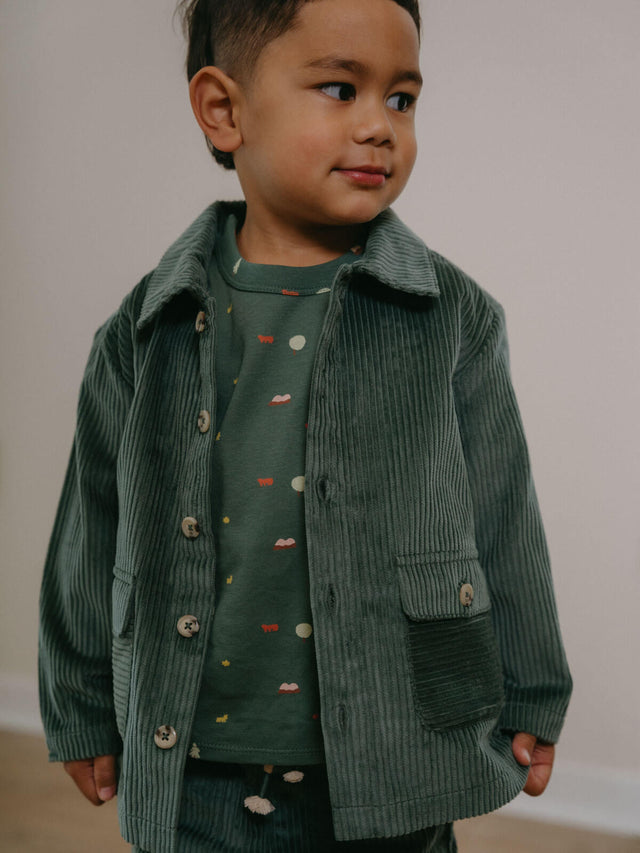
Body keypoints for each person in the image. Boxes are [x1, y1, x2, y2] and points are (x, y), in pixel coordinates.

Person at [38, 0, 573, 851]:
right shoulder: (144, 327)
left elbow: (505, 514)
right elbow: (89, 527)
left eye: (402, 99)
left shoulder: (453, 316)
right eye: (339, 88)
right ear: (224, 109)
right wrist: (79, 706)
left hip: (398, 754)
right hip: (196, 767)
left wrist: (535, 689)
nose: (380, 126)